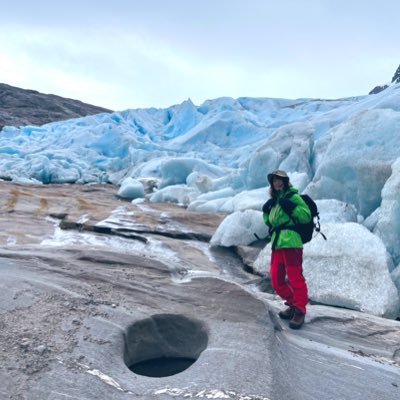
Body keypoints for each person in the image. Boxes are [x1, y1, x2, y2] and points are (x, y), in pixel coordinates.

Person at [262, 170, 311, 329]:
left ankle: (300, 310)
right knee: (276, 279)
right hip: (277, 244)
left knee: (295, 277)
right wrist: (266, 212)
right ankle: (293, 304)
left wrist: (292, 208)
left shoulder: (293, 197)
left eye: (279, 180)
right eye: (274, 180)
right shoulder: (275, 201)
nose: (277, 183)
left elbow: (306, 216)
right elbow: (270, 222)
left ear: (285, 181)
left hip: (291, 243)